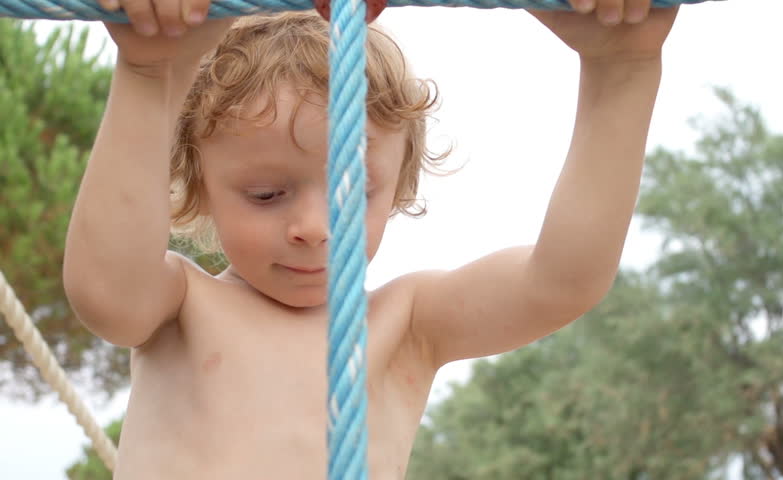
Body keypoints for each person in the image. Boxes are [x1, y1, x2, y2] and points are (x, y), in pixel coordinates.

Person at [62, 0, 679, 478]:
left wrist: (623, 70)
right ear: (198, 185)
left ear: (399, 185)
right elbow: (106, 294)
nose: (315, 227)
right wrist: (149, 70)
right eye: (267, 195)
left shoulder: (406, 323)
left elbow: (562, 282)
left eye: (353, 190)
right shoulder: (182, 304)